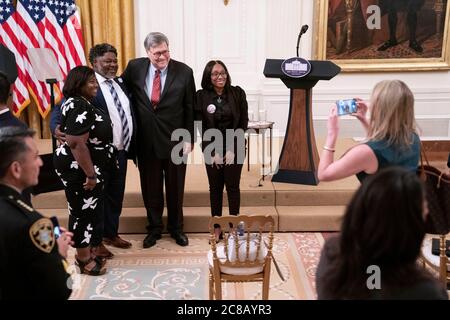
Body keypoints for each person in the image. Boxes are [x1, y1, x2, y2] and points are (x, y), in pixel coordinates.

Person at [316, 167, 448, 300]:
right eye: (424, 212)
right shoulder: (426, 292)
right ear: (410, 226)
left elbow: (373, 280)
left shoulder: (332, 254)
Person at [122, 32, 195, 248]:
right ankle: (154, 229)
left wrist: (190, 137)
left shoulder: (184, 71)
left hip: (176, 141)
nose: (162, 56)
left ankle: (176, 229)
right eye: (157, 53)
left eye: (165, 51)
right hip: (146, 142)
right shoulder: (134, 68)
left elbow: (190, 107)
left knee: (175, 188)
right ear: (148, 53)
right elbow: (119, 91)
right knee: (151, 189)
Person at [53, 66, 115, 275]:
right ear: (78, 84)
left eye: (95, 81)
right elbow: (76, 143)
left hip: (82, 166)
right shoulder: (79, 105)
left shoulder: (78, 102)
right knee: (82, 213)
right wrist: (91, 174)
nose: (95, 85)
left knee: (86, 212)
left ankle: (87, 251)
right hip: (79, 169)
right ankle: (83, 259)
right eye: (91, 82)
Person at [0, 126, 73, 300]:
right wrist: (60, 255)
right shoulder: (36, 226)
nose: (40, 163)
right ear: (16, 169)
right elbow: (61, 289)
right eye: (35, 157)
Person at [318, 79, 420, 183]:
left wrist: (332, 133)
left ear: (380, 108)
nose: (370, 105)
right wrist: (364, 120)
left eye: (373, 101)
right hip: (409, 197)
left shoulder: (365, 152)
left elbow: (323, 174)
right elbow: (382, 142)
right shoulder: (413, 137)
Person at [195, 60, 248, 242]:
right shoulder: (201, 97)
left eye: (223, 73)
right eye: (216, 74)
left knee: (233, 188)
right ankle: (217, 229)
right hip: (212, 147)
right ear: (208, 77)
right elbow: (200, 126)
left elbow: (243, 124)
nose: (220, 77)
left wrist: (233, 149)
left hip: (236, 146)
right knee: (215, 189)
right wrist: (212, 152)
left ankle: (235, 228)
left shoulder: (237, 93)